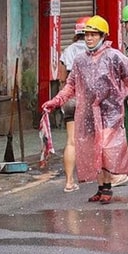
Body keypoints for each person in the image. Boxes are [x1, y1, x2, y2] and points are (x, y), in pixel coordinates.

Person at [43, 15, 128, 204]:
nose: (89, 38)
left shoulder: (114, 57)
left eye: (93, 35)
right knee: (95, 150)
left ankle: (107, 187)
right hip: (88, 113)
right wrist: (55, 101)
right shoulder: (80, 60)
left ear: (103, 36)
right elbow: (70, 85)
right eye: (87, 34)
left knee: (105, 149)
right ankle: (101, 187)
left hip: (112, 112)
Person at [53, 20, 89, 192]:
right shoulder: (94, 51)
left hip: (71, 100)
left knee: (71, 141)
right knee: (95, 139)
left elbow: (62, 78)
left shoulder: (68, 51)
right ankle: (100, 177)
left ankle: (69, 182)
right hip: (88, 100)